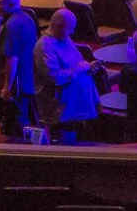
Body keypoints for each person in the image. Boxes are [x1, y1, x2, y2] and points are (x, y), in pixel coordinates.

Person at [33, 8, 99, 143]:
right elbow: (54, 77)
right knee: (69, 141)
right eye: (70, 29)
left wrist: (87, 68)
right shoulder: (44, 46)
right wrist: (79, 70)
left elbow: (76, 64)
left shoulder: (65, 38)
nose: (72, 32)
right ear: (58, 25)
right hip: (59, 104)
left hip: (75, 99)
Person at [0, 0, 39, 139]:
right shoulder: (28, 18)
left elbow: (11, 59)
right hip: (28, 78)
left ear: (12, 5)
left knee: (16, 125)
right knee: (27, 119)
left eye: (0, 3)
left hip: (16, 83)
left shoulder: (10, 26)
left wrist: (7, 88)